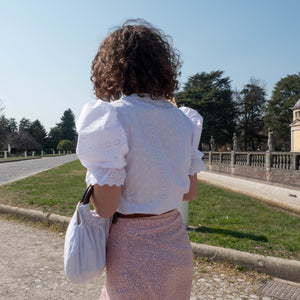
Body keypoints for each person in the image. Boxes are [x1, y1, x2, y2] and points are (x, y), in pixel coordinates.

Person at [76, 19, 205, 300]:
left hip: (134, 248)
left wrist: (96, 174)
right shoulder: (184, 120)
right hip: (176, 245)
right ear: (162, 66)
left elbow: (107, 207)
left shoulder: (114, 118)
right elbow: (190, 192)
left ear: (113, 67)